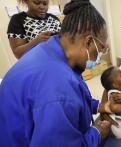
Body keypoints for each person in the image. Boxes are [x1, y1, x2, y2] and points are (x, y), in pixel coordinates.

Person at [0, 0, 111, 146]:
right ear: (89, 41)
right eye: (100, 49)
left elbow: (75, 99)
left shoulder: (52, 50)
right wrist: (96, 133)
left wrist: (98, 106)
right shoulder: (58, 87)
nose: (99, 57)